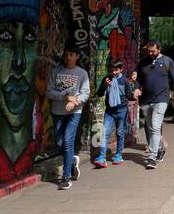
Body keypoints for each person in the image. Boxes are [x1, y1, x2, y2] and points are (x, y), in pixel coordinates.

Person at [48, 47, 89, 189]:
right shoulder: (56, 71)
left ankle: (66, 178)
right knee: (59, 142)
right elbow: (49, 91)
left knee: (67, 142)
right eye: (66, 54)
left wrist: (74, 101)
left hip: (74, 112)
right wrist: (65, 97)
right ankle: (72, 162)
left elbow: (85, 94)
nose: (68, 57)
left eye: (71, 54)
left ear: (77, 56)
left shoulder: (82, 73)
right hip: (58, 112)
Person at [138, 40, 174, 170]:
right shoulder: (143, 62)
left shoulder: (167, 61)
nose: (151, 53)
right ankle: (160, 148)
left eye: (153, 51)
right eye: (149, 51)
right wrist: (135, 88)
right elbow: (137, 78)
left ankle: (152, 158)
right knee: (151, 128)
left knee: (155, 128)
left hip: (161, 100)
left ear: (159, 49)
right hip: (146, 101)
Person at [94, 59, 134, 167]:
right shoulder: (106, 79)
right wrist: (105, 86)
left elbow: (129, 95)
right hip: (109, 111)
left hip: (121, 110)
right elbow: (100, 93)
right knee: (105, 133)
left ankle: (118, 155)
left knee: (120, 133)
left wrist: (135, 94)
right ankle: (102, 157)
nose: (114, 72)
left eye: (116, 70)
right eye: (112, 70)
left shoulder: (124, 81)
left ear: (121, 69)